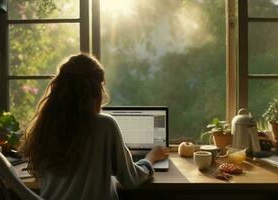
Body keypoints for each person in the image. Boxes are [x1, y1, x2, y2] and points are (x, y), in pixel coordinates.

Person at [20, 53, 169, 200]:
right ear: (95, 90)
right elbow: (131, 180)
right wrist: (151, 158)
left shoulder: (47, 126)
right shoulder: (105, 125)